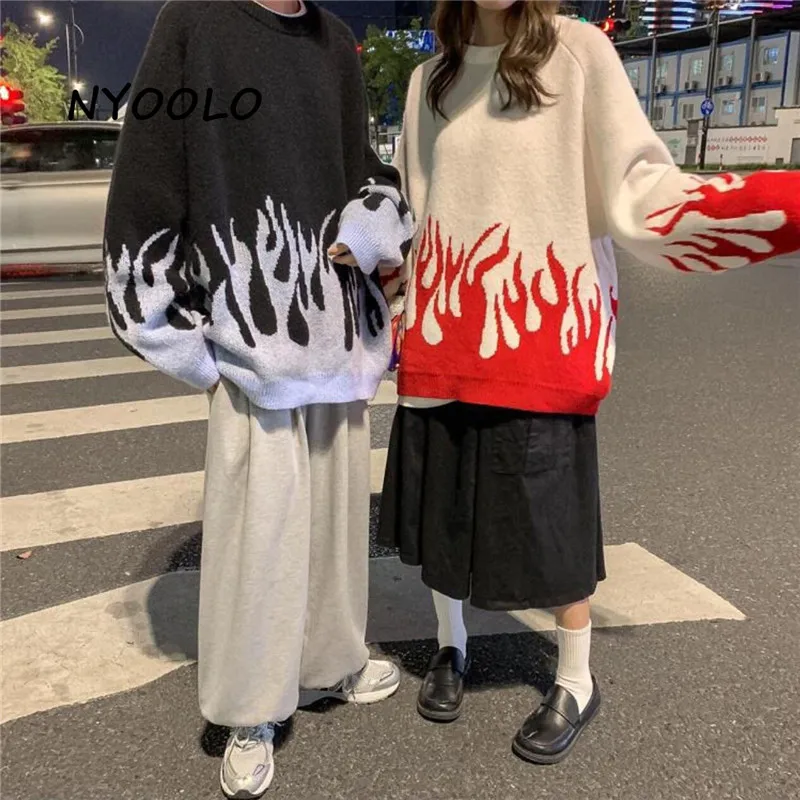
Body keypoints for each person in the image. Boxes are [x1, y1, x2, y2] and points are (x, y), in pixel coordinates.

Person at [367, 0, 800, 767]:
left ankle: (574, 678)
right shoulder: (429, 79)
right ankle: (451, 644)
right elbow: (414, 205)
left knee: (554, 524)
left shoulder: (577, 55)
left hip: (542, 337)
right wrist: (394, 304)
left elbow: (640, 191)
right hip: (444, 335)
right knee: (445, 514)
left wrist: (777, 209)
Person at [104, 1, 414, 797]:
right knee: (260, 541)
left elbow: (364, 170)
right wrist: (178, 338)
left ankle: (331, 662)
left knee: (336, 529)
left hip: (338, 337)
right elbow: (148, 177)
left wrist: (371, 229)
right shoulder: (195, 23)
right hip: (251, 343)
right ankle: (251, 709)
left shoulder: (334, 42)